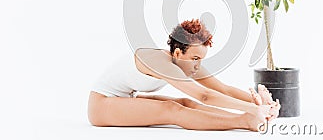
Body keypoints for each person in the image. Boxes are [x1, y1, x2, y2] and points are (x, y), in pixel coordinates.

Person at [87, 18, 280, 131]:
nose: (198, 65)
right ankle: (246, 121)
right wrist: (252, 110)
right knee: (172, 110)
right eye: (195, 58)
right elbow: (204, 96)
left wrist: (262, 104)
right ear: (178, 53)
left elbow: (222, 89)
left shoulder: (186, 62)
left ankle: (250, 116)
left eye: (201, 59)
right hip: (102, 105)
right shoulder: (160, 62)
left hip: (125, 98)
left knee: (186, 103)